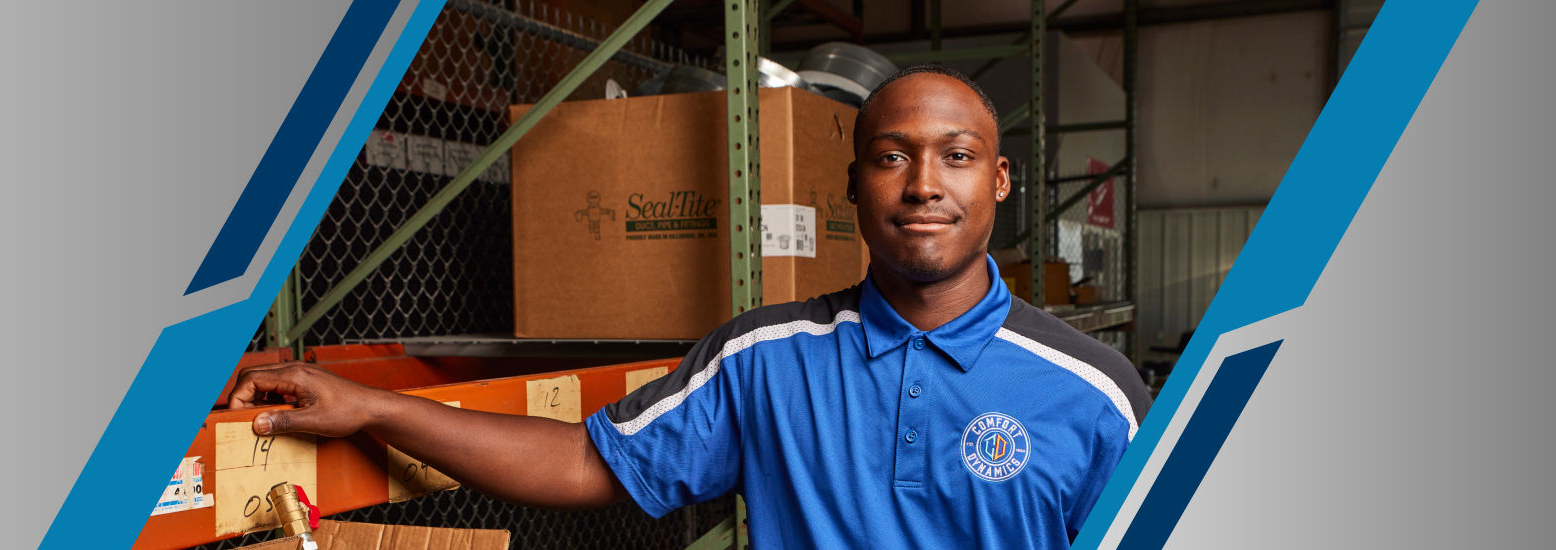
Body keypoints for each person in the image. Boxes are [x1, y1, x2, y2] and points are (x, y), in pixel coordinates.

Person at [227, 65, 1151, 548]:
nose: (922, 186)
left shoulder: (1094, 390)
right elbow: (588, 463)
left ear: (999, 181)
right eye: (891, 156)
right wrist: (373, 405)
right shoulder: (764, 358)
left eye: (955, 157)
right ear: (854, 183)